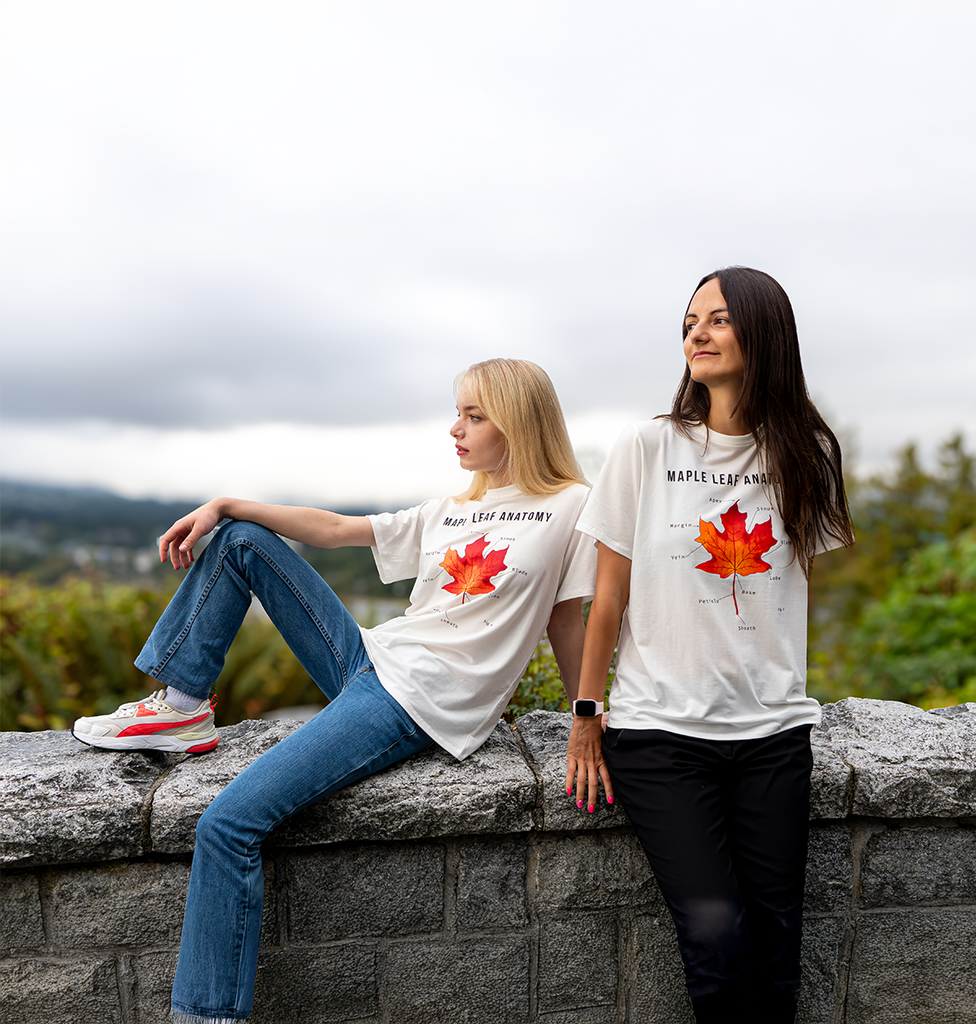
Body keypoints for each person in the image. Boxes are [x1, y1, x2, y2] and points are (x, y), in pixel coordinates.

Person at [72, 358, 596, 1024]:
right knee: (240, 540)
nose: (455, 430)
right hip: (368, 659)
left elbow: (565, 620)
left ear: (519, 422)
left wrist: (588, 717)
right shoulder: (453, 510)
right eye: (457, 412)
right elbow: (336, 529)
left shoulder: (571, 506)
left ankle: (204, 1015)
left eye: (474, 415)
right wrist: (223, 504)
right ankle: (182, 707)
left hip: (408, 703)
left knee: (228, 825)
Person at [565, 267, 854, 1024]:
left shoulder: (808, 453)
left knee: (778, 946)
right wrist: (586, 714)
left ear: (765, 333)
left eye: (719, 318)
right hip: (662, 736)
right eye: (691, 320)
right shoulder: (647, 446)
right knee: (717, 944)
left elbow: (797, 589)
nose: (697, 331)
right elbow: (609, 599)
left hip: (773, 736)